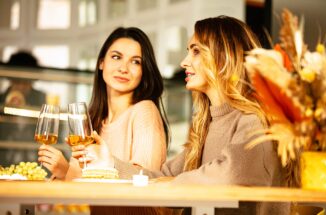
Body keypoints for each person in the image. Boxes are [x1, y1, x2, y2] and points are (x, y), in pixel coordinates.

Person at [72, 16, 290, 215]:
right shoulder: (207, 126)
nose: (184, 62)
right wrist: (109, 164)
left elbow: (227, 175)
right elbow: (160, 176)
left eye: (196, 51)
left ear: (223, 57)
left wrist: (172, 182)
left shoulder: (255, 120)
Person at [38, 27, 169, 179]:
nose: (123, 68)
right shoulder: (93, 119)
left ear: (144, 71)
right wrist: (63, 171)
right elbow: (81, 187)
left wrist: (66, 172)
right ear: (101, 63)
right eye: (116, 57)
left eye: (135, 61)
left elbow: (146, 180)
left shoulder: (145, 111)